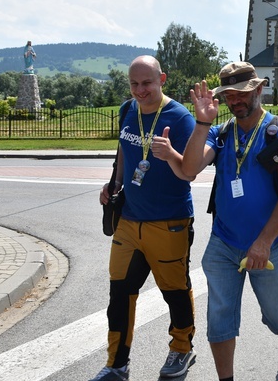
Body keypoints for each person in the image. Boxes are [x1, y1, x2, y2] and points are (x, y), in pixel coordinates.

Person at [181, 62, 278, 381]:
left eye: (242, 93)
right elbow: (190, 169)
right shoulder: (221, 134)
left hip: (271, 244)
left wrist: (262, 242)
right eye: (229, 95)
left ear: (258, 89)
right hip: (224, 242)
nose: (235, 100)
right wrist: (201, 123)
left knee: (277, 316)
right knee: (219, 317)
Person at [91, 56, 197, 381]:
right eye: (134, 84)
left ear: (161, 78)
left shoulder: (180, 118)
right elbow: (124, 150)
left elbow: (190, 171)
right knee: (119, 294)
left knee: (175, 291)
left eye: (147, 83)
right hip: (129, 221)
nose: (140, 90)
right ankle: (117, 363)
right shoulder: (128, 110)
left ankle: (181, 349)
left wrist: (172, 155)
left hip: (169, 223)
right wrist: (115, 184)